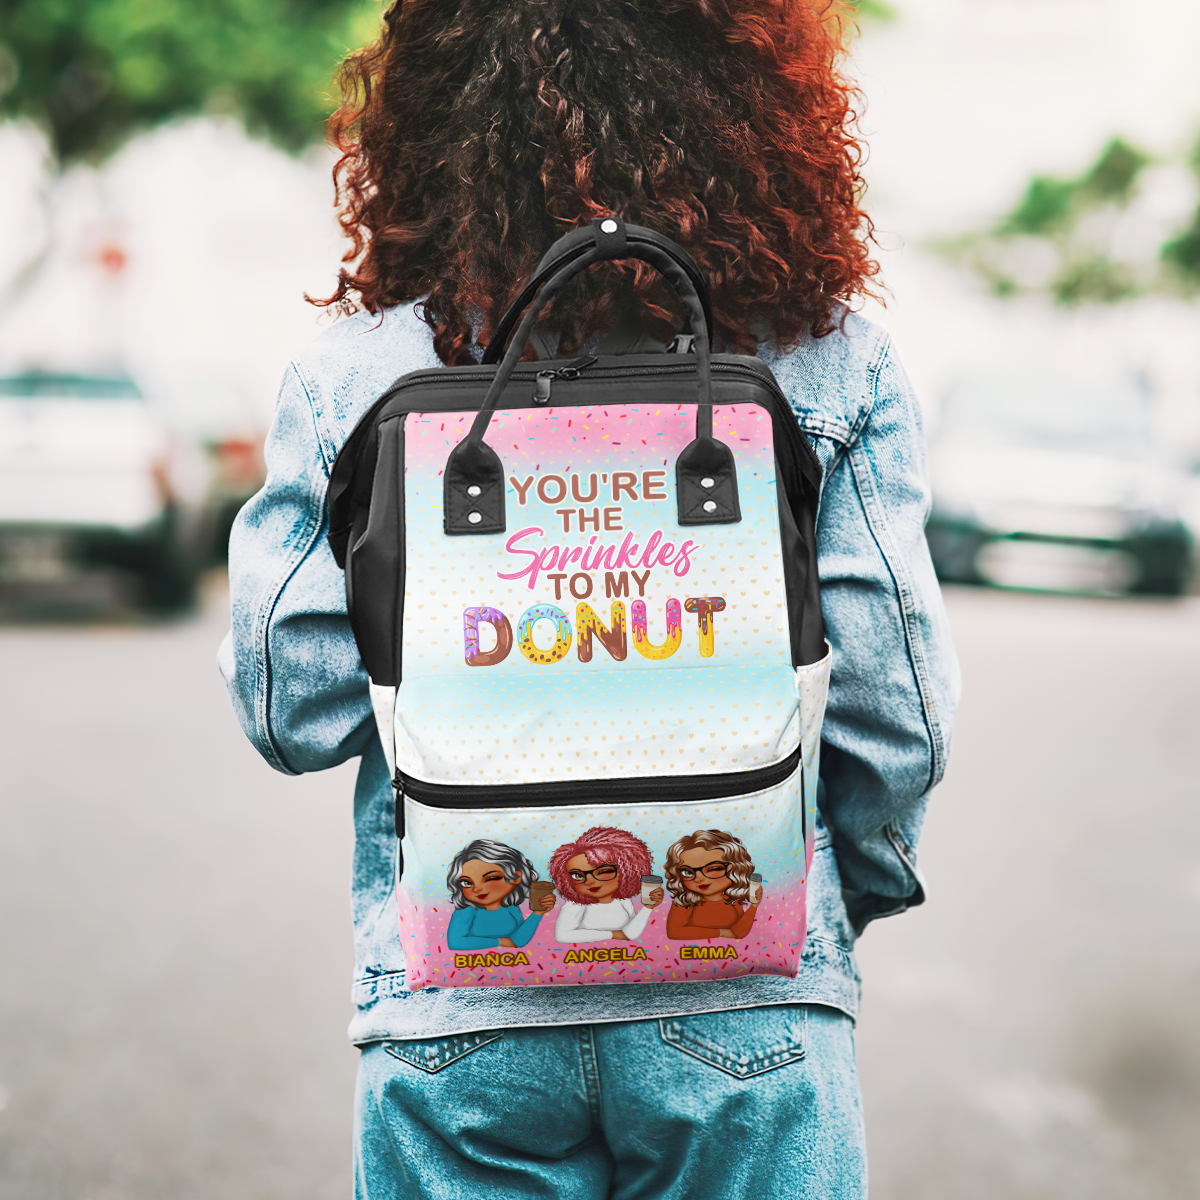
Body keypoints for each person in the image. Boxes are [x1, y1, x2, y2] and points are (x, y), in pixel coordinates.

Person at [219, 0, 960, 1195]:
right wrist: (830, 891)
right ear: (761, 108)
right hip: (749, 990)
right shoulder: (833, 359)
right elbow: (897, 715)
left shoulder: (358, 375)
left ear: (431, 116)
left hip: (462, 994)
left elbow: (288, 712)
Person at [549, 826, 663, 943]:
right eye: (577, 876)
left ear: (627, 871)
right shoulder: (576, 904)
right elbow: (562, 936)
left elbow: (631, 934)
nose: (589, 881)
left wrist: (648, 907)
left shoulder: (623, 900)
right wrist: (613, 934)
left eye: (602, 872)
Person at [445, 839, 555, 951]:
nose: (477, 888)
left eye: (490, 878)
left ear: (516, 877)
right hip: (470, 964)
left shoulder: (510, 907)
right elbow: (455, 943)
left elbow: (519, 941)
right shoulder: (467, 910)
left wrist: (537, 913)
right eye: (467, 883)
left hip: (514, 962)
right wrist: (500, 941)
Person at [663, 829, 759, 941]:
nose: (698, 878)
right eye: (688, 872)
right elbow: (674, 932)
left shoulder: (733, 900)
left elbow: (739, 932)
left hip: (730, 955)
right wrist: (721, 932)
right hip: (690, 954)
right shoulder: (685, 901)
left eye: (713, 868)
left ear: (734, 868)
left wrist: (754, 906)